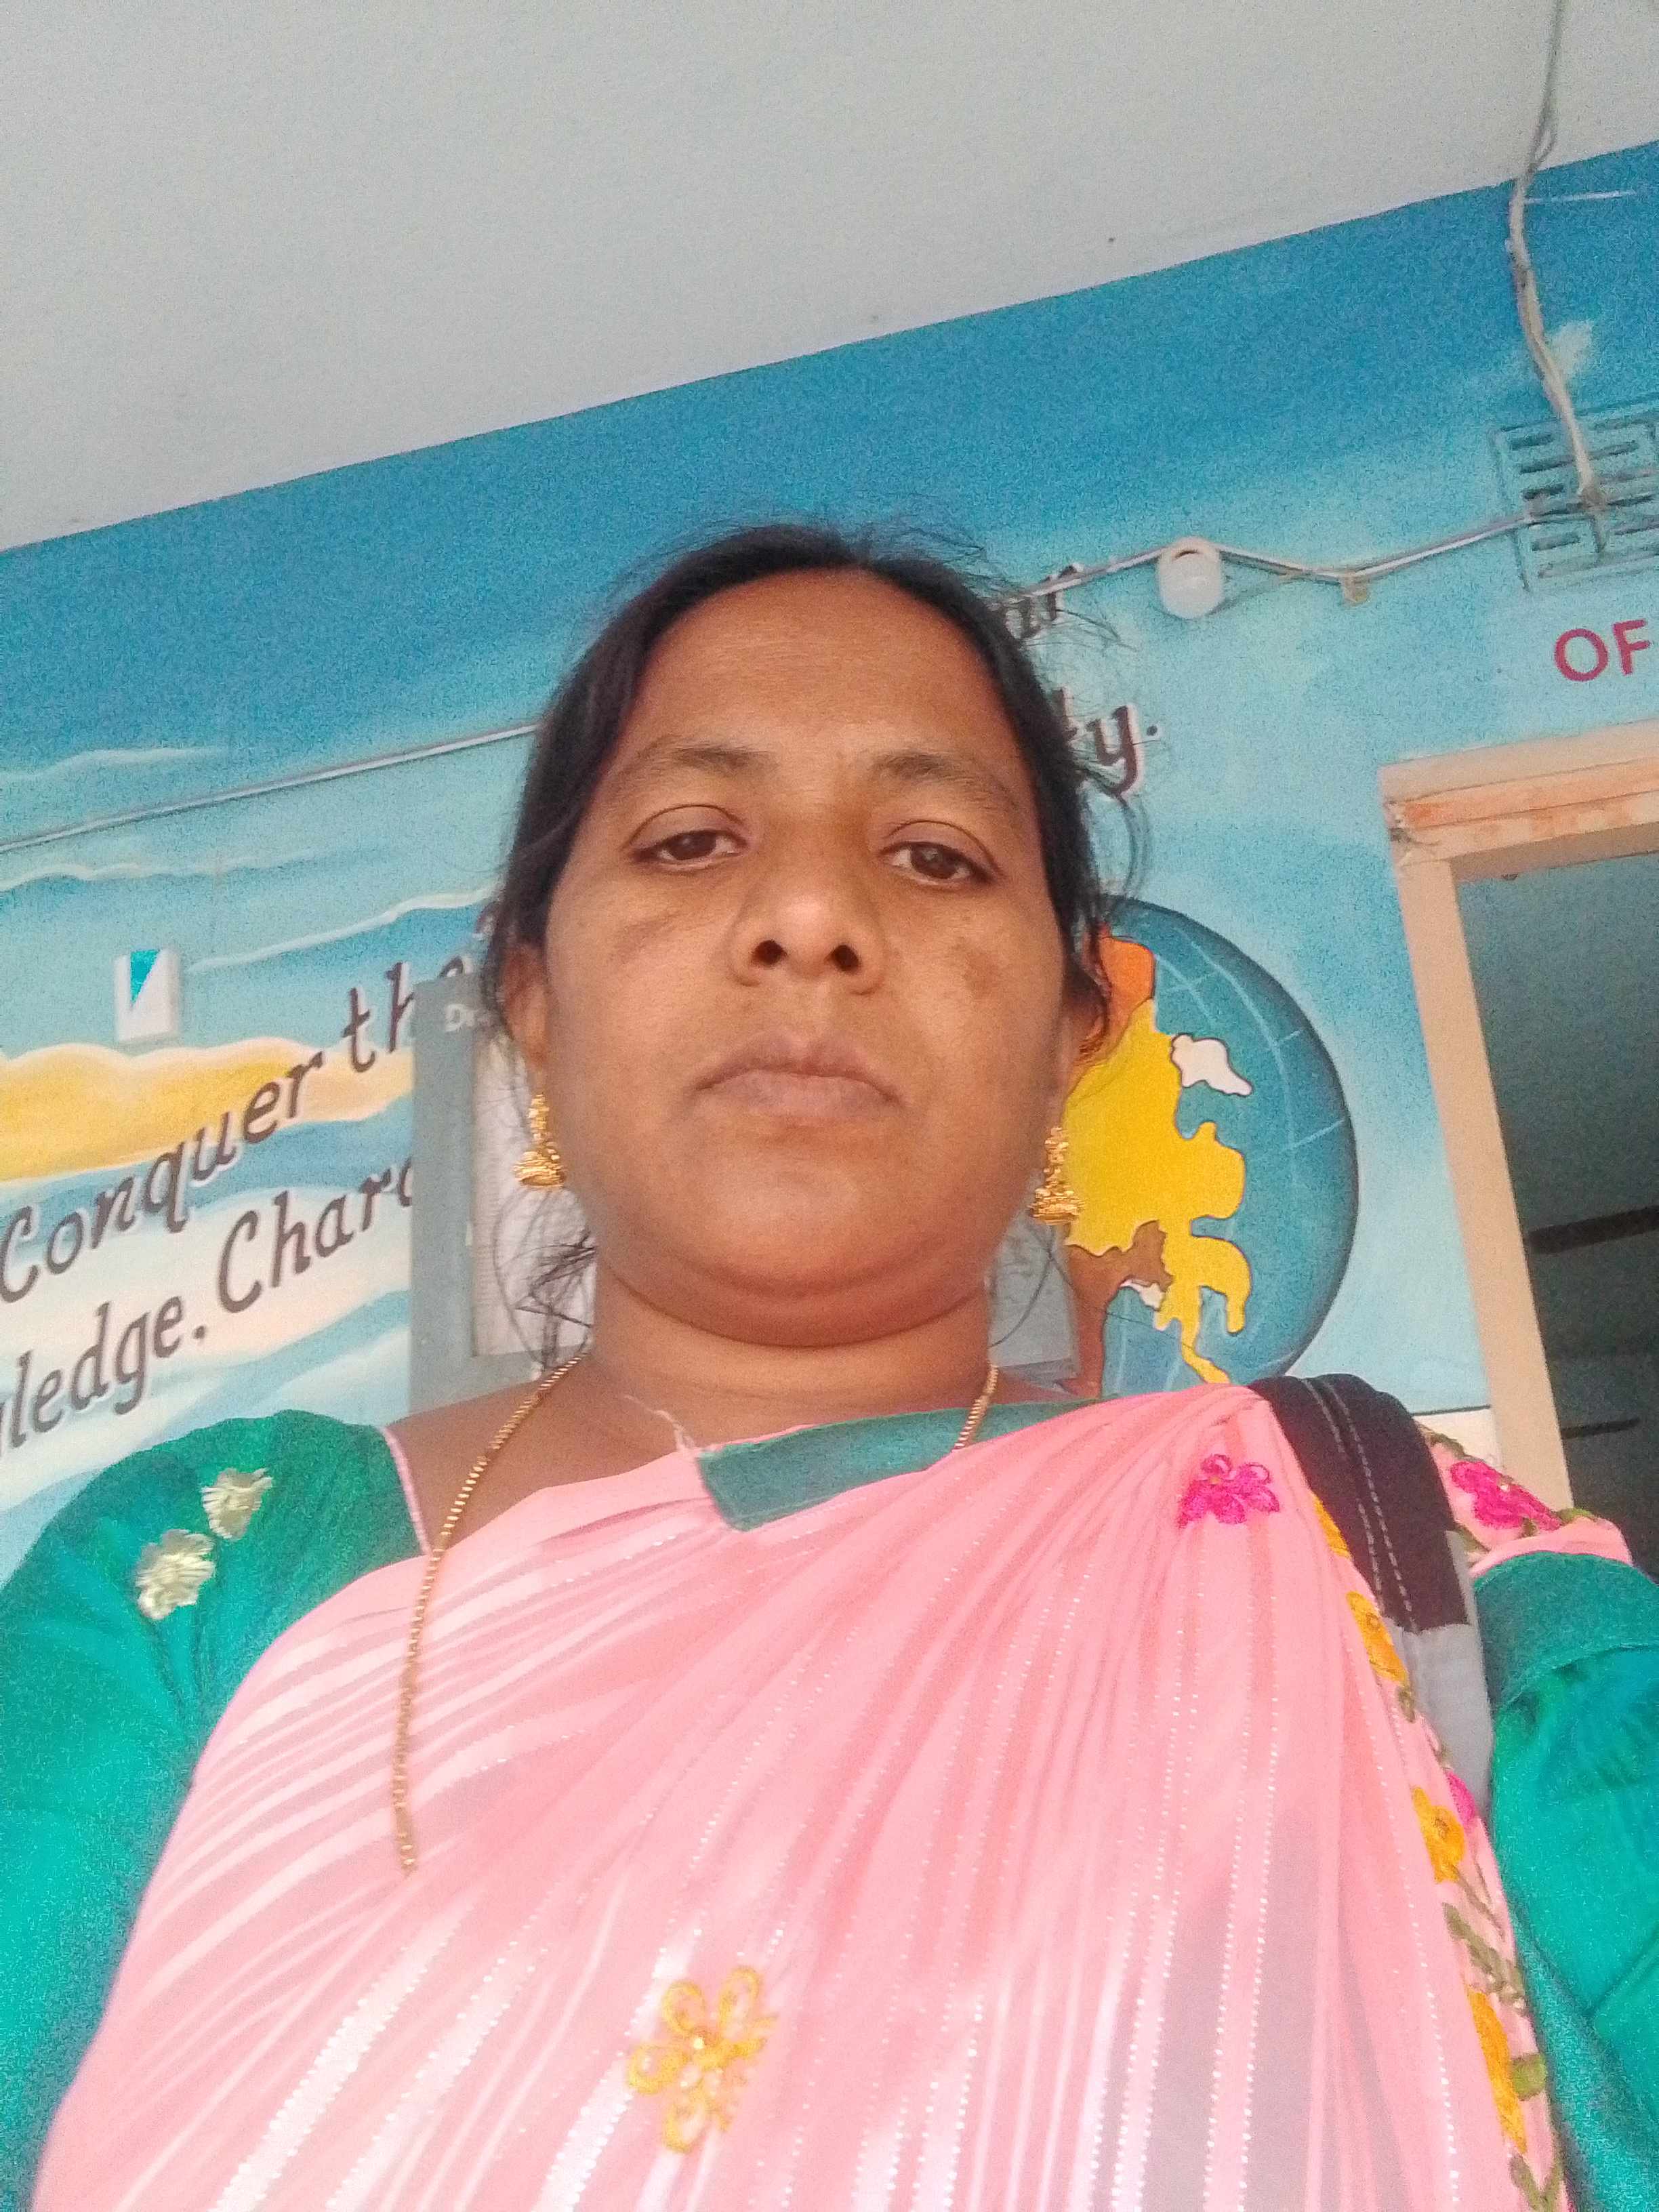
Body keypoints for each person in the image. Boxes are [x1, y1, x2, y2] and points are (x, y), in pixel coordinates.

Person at [3, 525, 1656, 2211]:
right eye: (691, 839)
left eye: (936, 856)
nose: (808, 916)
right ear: (534, 999)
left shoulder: (1416, 1573)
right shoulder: (199, 1579)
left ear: (1071, 1033)